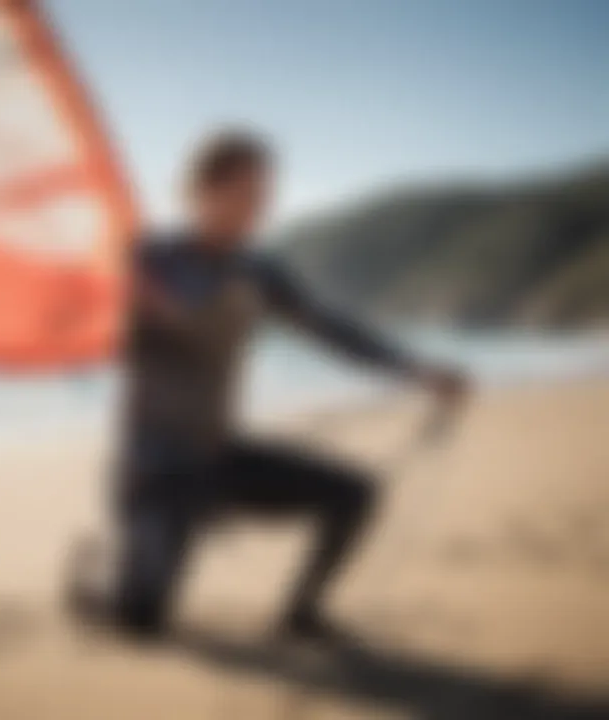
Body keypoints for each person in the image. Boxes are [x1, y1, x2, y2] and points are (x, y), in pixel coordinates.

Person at [69, 128, 467, 642]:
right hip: (156, 472)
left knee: (354, 494)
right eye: (246, 192)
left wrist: (414, 368)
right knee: (142, 621)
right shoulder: (145, 259)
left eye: (264, 194)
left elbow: (329, 326)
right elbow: (75, 324)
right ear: (201, 190)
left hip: (217, 457)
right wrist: (127, 302)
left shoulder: (258, 270)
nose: (258, 206)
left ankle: (300, 614)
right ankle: (91, 582)